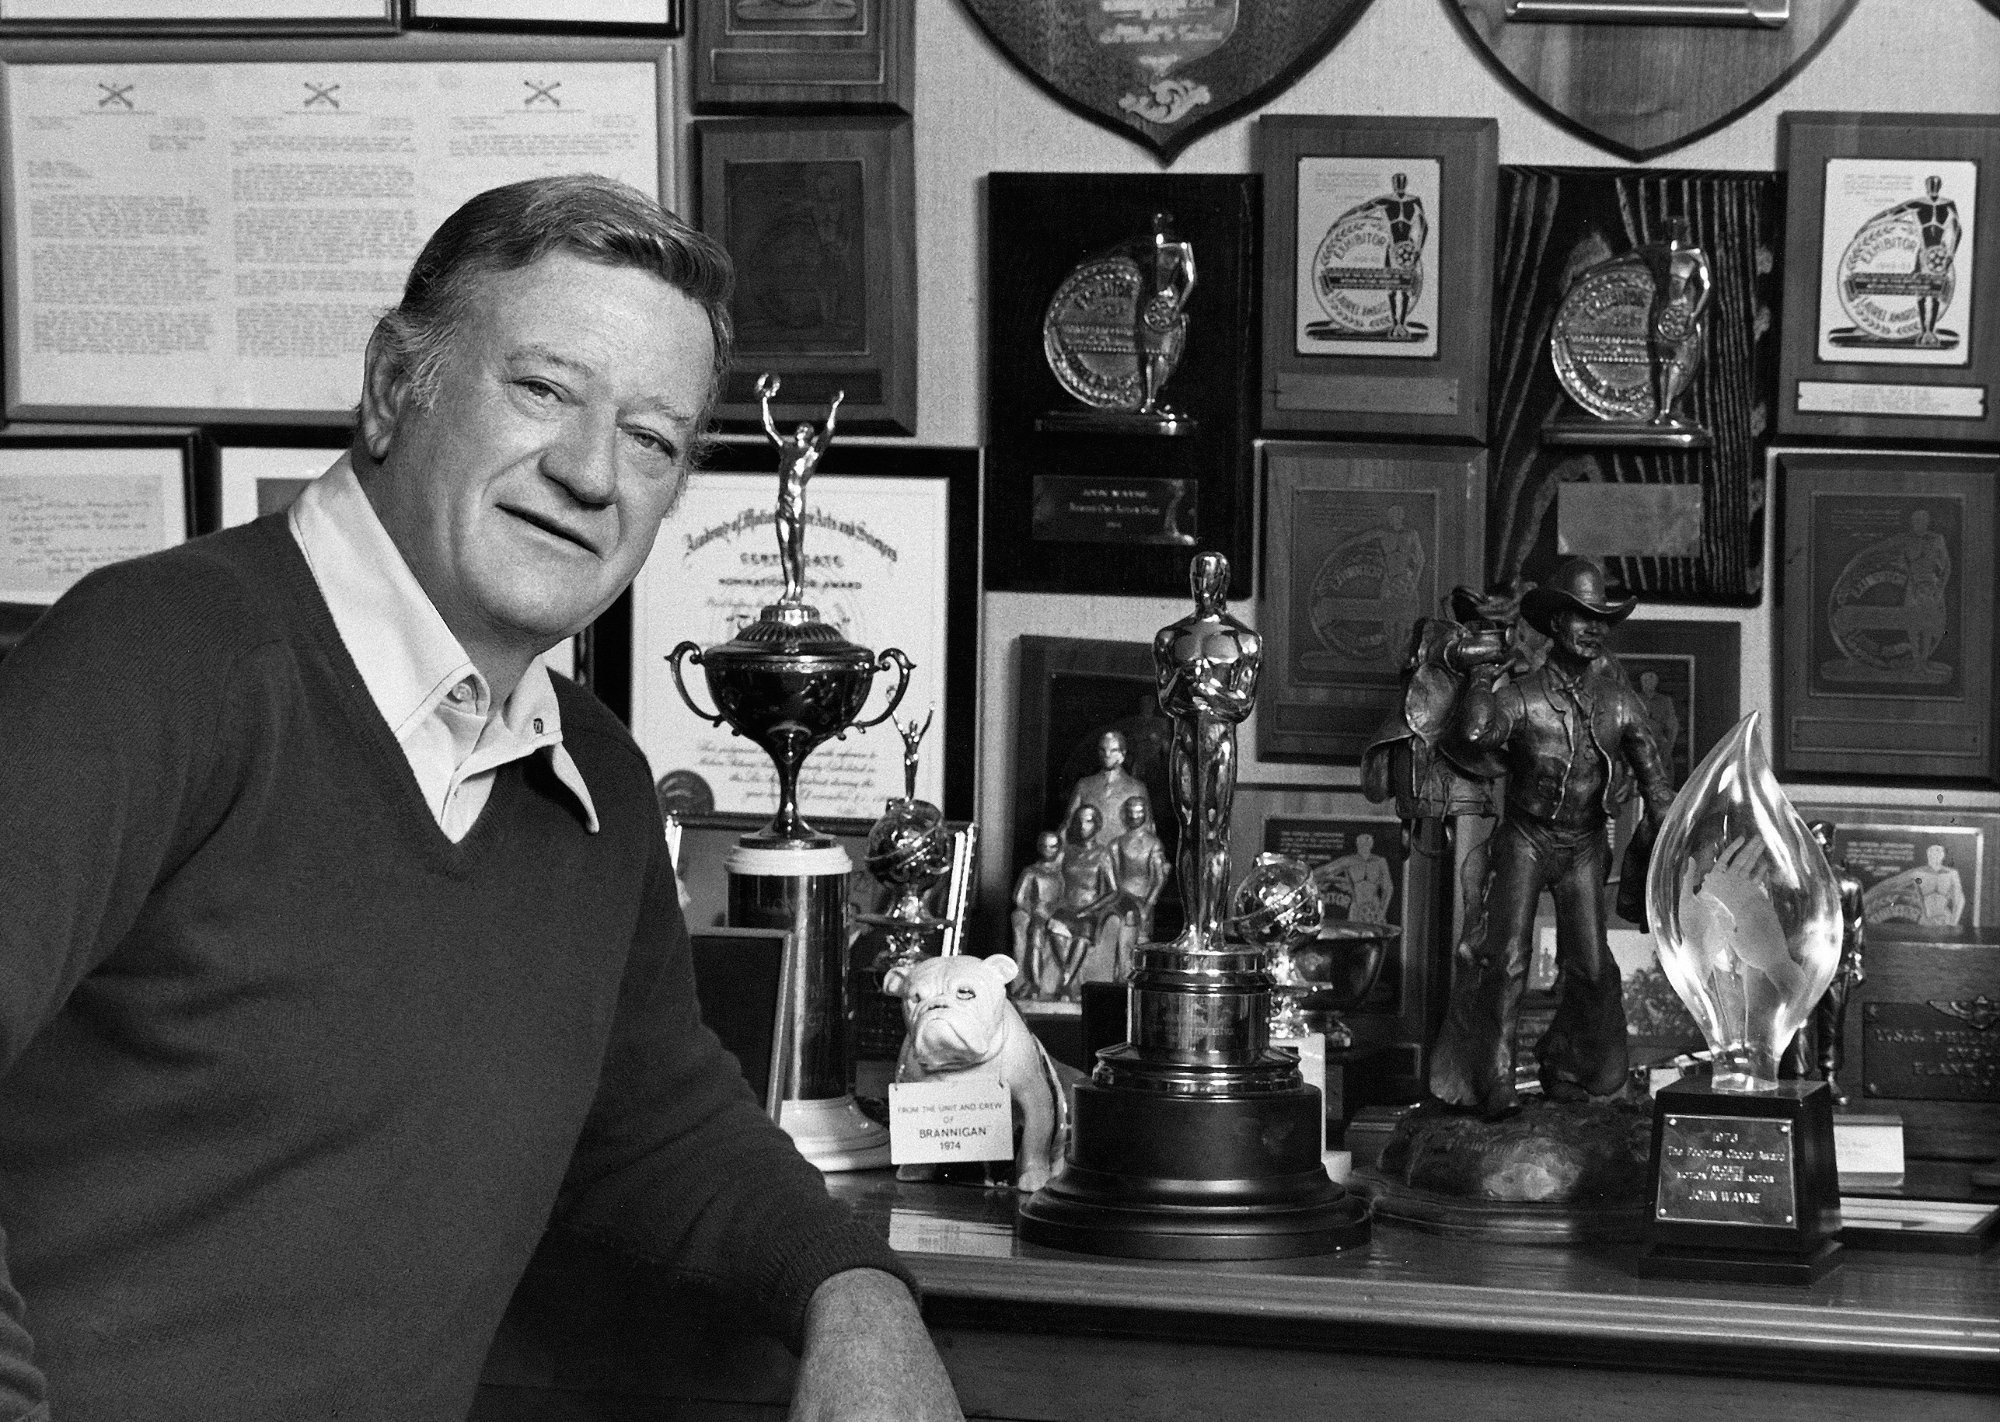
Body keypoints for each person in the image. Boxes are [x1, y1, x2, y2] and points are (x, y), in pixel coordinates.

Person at [0, 176, 959, 1421]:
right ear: (399, 386)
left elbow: (662, 1131)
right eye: (545, 390)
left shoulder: (597, 777)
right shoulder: (159, 660)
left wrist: (856, 1292)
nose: (588, 473)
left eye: (651, 439)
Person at [1429, 558, 1675, 1118]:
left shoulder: (1618, 701)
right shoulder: (1522, 695)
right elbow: (1472, 735)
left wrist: (1666, 833)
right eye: (1581, 617)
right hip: (1525, 838)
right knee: (1507, 961)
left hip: (1585, 844)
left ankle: (1568, 1067)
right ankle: (1492, 1082)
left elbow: (1656, 778)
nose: (1593, 628)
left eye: (1600, 619)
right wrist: (1481, 675)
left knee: (1591, 968)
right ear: (1555, 625)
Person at [1065, 728, 1151, 852]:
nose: (1107, 755)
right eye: (1103, 750)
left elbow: (1147, 828)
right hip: (1088, 856)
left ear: (1123, 753)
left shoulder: (1136, 788)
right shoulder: (1084, 785)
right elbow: (1069, 825)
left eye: (1113, 750)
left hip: (1122, 856)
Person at [1107, 794, 1172, 957]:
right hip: (1120, 899)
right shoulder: (1116, 844)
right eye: (1131, 811)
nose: (1134, 816)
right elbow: (1113, 879)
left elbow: (1159, 879)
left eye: (1139, 812)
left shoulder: (1153, 843)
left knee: (1139, 943)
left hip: (1144, 900)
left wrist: (1148, 905)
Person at [1011, 829, 1067, 998]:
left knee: (1061, 935)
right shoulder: (1031, 871)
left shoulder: (1060, 873)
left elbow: (1063, 897)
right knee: (1037, 935)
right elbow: (1018, 897)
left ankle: (1067, 978)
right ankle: (1035, 983)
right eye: (1044, 846)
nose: (1048, 850)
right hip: (1037, 913)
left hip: (1057, 913)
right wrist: (1034, 910)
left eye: (1052, 847)